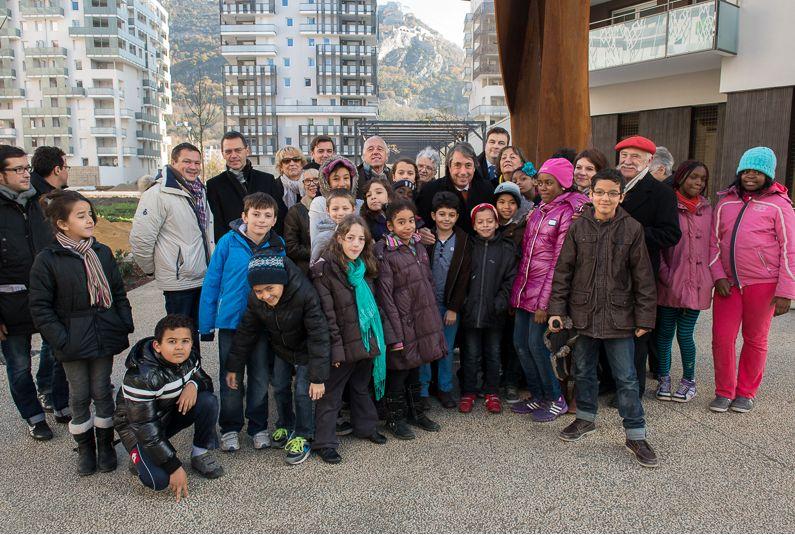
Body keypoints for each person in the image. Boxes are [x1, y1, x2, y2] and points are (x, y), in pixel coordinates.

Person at [548, 168, 658, 468]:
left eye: (612, 192)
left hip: (619, 316)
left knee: (626, 377)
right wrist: (557, 310)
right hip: (583, 314)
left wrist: (645, 318)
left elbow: (644, 279)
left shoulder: (632, 228)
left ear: (621, 196)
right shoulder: (578, 227)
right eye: (600, 192)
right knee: (583, 371)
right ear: (591, 194)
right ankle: (585, 418)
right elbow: (563, 272)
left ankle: (635, 433)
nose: (606, 198)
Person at [29, 190, 134, 475]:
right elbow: (40, 307)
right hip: (72, 338)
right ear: (62, 223)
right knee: (78, 394)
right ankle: (85, 447)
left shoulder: (101, 252)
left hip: (103, 332)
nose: (89, 220)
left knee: (102, 390)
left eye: (90, 214)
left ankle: (106, 445)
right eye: (81, 216)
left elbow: (117, 291)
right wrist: (61, 338)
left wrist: (123, 320)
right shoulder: (48, 259)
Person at [708, 147, 795, 413]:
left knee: (755, 338)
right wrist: (718, 275)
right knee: (722, 338)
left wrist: (786, 291)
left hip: (763, 285)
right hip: (729, 285)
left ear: (767, 175)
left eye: (757, 172)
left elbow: (789, 249)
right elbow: (713, 244)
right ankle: (724, 390)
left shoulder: (779, 205)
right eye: (746, 171)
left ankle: (745, 391)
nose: (750, 176)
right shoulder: (726, 202)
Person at [198, 192, 285, 452]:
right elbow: (212, 282)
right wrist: (206, 324)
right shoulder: (228, 242)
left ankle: (258, 427)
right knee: (231, 377)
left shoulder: (277, 244)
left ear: (274, 219)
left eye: (267, 215)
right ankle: (230, 428)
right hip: (231, 323)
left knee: (259, 378)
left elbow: (283, 284)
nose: (261, 219)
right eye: (255, 214)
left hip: (261, 324)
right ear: (244, 216)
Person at [226, 254, 330, 465]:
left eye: (270, 288)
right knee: (280, 387)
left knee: (302, 392)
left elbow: (319, 335)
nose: (265, 295)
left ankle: (303, 434)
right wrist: (233, 368)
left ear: (282, 281)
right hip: (282, 348)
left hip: (306, 350)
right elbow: (246, 332)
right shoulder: (256, 300)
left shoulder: (304, 293)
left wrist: (318, 378)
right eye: (258, 291)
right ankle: (285, 423)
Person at [510, 158, 589, 421]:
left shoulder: (567, 212)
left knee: (537, 345)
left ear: (563, 183)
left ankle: (555, 397)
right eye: (540, 182)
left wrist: (545, 304)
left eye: (549, 182)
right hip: (525, 289)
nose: (542, 187)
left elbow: (558, 262)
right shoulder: (538, 209)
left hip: (543, 294)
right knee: (520, 344)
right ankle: (538, 395)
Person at [0, 145, 70, 440]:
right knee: (18, 366)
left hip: (46, 298)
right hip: (9, 303)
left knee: (58, 353)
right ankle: (34, 417)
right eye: (17, 169)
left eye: (26, 167)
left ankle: (56, 399)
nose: (25, 173)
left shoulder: (40, 204)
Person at [114, 314, 224, 501]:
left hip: (164, 416)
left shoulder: (189, 357)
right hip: (137, 429)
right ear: (158, 345)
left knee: (207, 401)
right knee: (159, 481)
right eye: (172, 341)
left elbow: (205, 382)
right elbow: (144, 425)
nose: (180, 347)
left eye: (185, 341)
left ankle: (199, 453)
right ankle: (138, 455)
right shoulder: (141, 376)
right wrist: (173, 465)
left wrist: (193, 385)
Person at [311, 215, 388, 463]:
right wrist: (336, 350)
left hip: (365, 339)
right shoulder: (325, 270)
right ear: (339, 238)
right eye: (350, 238)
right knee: (332, 394)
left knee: (360, 387)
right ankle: (324, 441)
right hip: (342, 343)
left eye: (361, 239)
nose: (356, 244)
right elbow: (327, 315)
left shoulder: (364, 268)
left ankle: (366, 427)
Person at [130, 143, 215, 348]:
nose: (193, 167)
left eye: (197, 162)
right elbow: (141, 239)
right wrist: (155, 270)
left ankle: (194, 376)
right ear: (173, 162)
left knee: (192, 337)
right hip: (179, 282)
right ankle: (179, 378)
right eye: (187, 161)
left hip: (199, 277)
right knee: (178, 338)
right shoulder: (158, 194)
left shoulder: (198, 191)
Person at [615, 135, 681, 397]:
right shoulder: (611, 185)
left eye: (635, 157)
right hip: (607, 272)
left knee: (637, 333)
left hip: (640, 274)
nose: (628, 161)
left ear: (649, 161)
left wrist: (633, 234)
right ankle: (612, 382)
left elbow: (670, 234)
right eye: (624, 155)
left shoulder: (662, 192)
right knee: (612, 330)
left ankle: (633, 390)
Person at [375, 200, 446, 438]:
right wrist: (394, 333)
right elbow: (385, 296)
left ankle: (416, 411)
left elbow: (427, 282)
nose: (407, 227)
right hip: (401, 322)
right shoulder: (386, 252)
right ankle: (395, 418)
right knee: (398, 370)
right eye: (400, 222)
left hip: (421, 318)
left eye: (410, 221)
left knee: (416, 365)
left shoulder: (418, 246)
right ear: (390, 225)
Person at [655, 160, 712, 403]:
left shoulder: (709, 209)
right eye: (692, 177)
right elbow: (657, 245)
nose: (697, 183)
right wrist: (665, 274)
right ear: (680, 177)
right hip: (669, 282)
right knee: (665, 332)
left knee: (686, 334)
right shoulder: (667, 204)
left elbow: (714, 244)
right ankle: (663, 377)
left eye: (702, 179)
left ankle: (689, 380)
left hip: (697, 284)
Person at [458, 203, 517, 414]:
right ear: (473, 225)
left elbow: (510, 279)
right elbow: (460, 278)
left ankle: (492, 391)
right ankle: (469, 391)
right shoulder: (467, 246)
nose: (485, 225)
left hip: (494, 312)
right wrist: (463, 303)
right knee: (470, 353)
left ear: (497, 222)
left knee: (493, 352)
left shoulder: (506, 248)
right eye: (480, 222)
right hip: (471, 311)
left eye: (489, 221)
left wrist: (500, 302)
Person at [28, 147, 68, 413]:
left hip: (54, 274)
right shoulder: (37, 199)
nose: (67, 171)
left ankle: (54, 388)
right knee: (50, 339)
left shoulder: (52, 197)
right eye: (65, 166)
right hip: (45, 276)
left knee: (53, 338)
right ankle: (47, 389)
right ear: (56, 169)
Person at [422, 192, 471, 409]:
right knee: (425, 347)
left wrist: (453, 308)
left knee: (446, 348)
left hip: (449, 305)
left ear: (457, 216)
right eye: (441, 214)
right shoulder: (425, 238)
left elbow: (463, 278)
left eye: (451, 215)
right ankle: (422, 389)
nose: (446, 219)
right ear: (433, 215)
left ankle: (445, 387)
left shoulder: (462, 240)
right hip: (426, 305)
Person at [206, 131, 286, 241]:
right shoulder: (214, 185)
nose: (233, 155)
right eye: (228, 151)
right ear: (223, 154)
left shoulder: (267, 180)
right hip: (234, 247)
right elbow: (217, 224)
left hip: (266, 246)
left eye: (238, 150)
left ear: (247, 151)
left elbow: (279, 215)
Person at [416, 142, 496, 235]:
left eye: (468, 165)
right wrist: (421, 231)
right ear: (449, 167)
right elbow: (420, 223)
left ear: (474, 167)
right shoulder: (430, 191)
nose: (463, 172)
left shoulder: (487, 189)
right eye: (457, 165)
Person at [309, 155, 363, 264]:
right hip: (328, 264)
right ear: (327, 182)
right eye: (336, 179)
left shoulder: (360, 204)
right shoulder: (319, 202)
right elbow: (317, 240)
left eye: (346, 178)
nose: (342, 183)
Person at [284, 168, 320, 273]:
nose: (312, 184)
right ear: (302, 185)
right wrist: (317, 252)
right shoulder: (295, 212)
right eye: (307, 181)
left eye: (316, 179)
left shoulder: (332, 207)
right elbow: (291, 247)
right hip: (306, 269)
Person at [311, 189, 356, 264]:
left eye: (345, 208)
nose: (341, 213)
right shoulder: (322, 239)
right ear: (328, 211)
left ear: (353, 210)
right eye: (335, 209)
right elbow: (314, 266)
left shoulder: (360, 233)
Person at [494, 181, 531, 248]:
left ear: (518, 206)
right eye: (502, 202)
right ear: (495, 204)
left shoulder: (524, 229)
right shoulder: (488, 224)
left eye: (512, 203)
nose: (507, 207)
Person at [359, 177, 393, 243]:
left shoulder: (399, 213)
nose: (373, 197)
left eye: (379, 192)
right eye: (369, 195)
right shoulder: (365, 222)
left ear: (389, 196)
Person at [274, 146, 307, 210]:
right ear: (281, 167)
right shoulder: (274, 186)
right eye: (286, 161)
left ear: (302, 164)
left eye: (296, 160)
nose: (292, 163)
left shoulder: (311, 182)